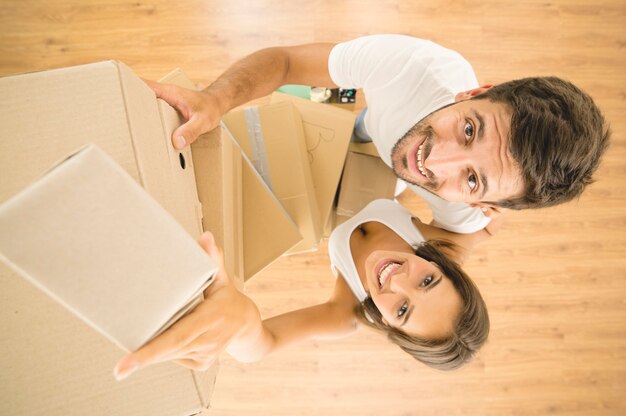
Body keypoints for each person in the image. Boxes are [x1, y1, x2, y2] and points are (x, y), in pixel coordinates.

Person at [144, 34, 610, 235]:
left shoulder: (465, 217)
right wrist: (215, 99)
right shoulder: (411, 65)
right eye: (469, 128)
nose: (436, 159)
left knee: (391, 163)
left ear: (481, 206)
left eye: (472, 180)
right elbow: (286, 62)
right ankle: (356, 122)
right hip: (376, 110)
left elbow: (465, 242)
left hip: (390, 155)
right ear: (475, 90)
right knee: (356, 118)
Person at [114, 199, 492, 380]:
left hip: (327, 204)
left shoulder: (347, 312)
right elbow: (489, 219)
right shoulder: (451, 243)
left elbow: (264, 343)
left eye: (402, 310)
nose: (395, 279)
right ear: (445, 268)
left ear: (391, 327)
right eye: (428, 281)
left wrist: (240, 324)